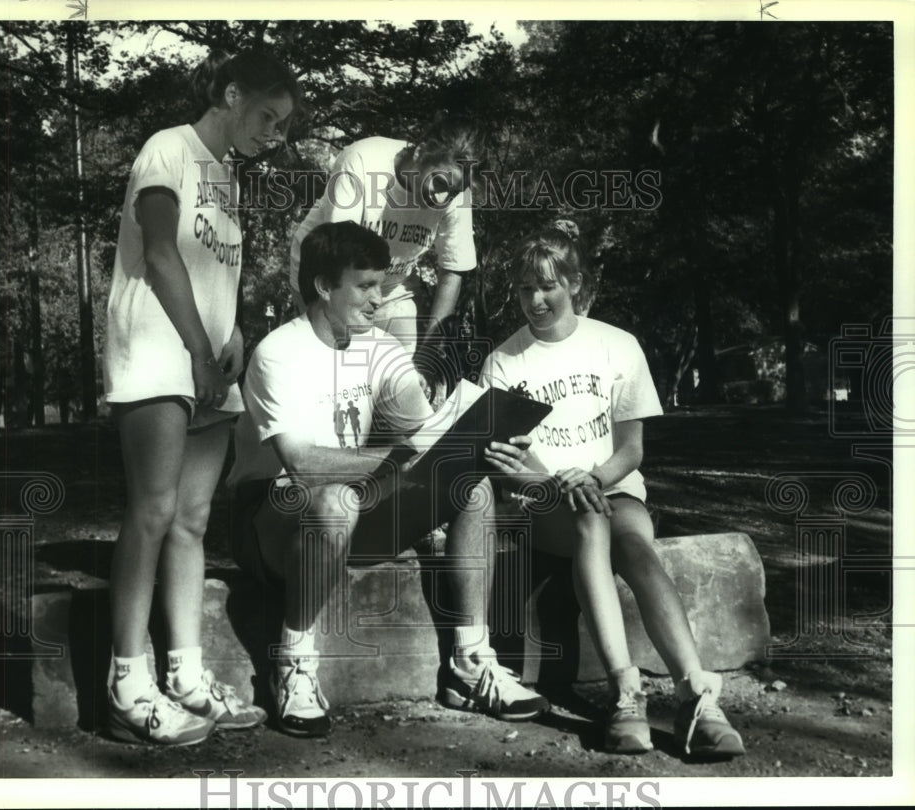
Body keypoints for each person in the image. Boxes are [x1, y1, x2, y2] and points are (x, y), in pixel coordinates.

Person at [227, 220, 549, 737]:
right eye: (366, 286)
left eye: (383, 283)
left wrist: (477, 444)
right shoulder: (276, 354)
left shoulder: (380, 347)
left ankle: (470, 663)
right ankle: (294, 664)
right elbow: (301, 464)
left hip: (356, 505)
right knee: (333, 501)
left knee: (472, 487)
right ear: (324, 287)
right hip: (272, 518)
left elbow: (422, 431)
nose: (381, 299)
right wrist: (401, 458)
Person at [478, 227, 745, 758]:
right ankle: (626, 692)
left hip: (613, 489)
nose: (536, 300)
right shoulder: (504, 362)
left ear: (575, 284)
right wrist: (555, 483)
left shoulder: (617, 345)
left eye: (549, 286)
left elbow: (631, 451)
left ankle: (696, 692)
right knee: (587, 521)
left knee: (635, 546)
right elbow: (511, 463)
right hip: (546, 503)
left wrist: (594, 478)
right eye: (526, 288)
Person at [102, 49, 299, 745]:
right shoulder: (170, 149)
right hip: (160, 353)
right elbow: (159, 255)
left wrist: (232, 329)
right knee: (151, 511)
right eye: (267, 117)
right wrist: (194, 350)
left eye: (282, 126)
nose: (273, 135)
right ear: (230, 92)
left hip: (206, 362)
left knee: (191, 519)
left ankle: (184, 674)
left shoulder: (226, 179)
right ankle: (127, 682)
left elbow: (211, 266)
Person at [287, 116, 482, 359]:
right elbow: (338, 260)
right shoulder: (363, 160)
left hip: (391, 287)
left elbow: (452, 270)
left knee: (402, 375)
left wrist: (428, 354)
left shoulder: (457, 194)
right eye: (440, 183)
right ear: (421, 153)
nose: (442, 200)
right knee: (335, 365)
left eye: (453, 193)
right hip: (325, 274)